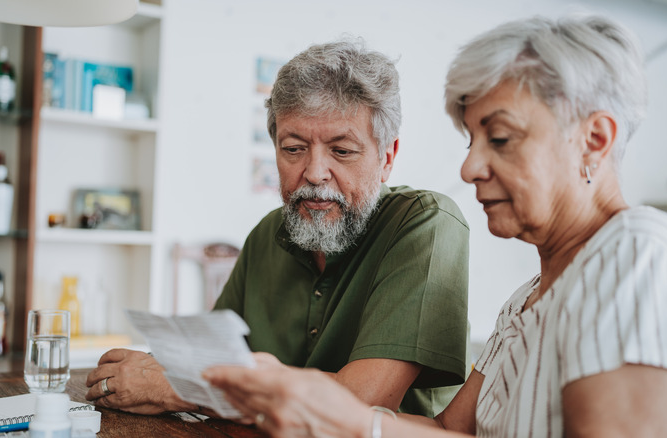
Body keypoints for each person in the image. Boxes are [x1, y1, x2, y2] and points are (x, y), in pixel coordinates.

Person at [201, 14, 667, 437]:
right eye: (472, 141)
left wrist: (348, 419)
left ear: (595, 140)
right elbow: (447, 432)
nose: (469, 168)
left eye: (502, 139)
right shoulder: (527, 300)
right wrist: (332, 413)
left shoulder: (641, 261)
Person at [84, 39, 471, 418]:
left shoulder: (427, 223)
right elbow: (209, 359)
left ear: (387, 158)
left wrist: (180, 387)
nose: (315, 173)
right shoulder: (269, 232)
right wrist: (154, 372)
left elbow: (363, 401)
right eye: (293, 148)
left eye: (342, 150)